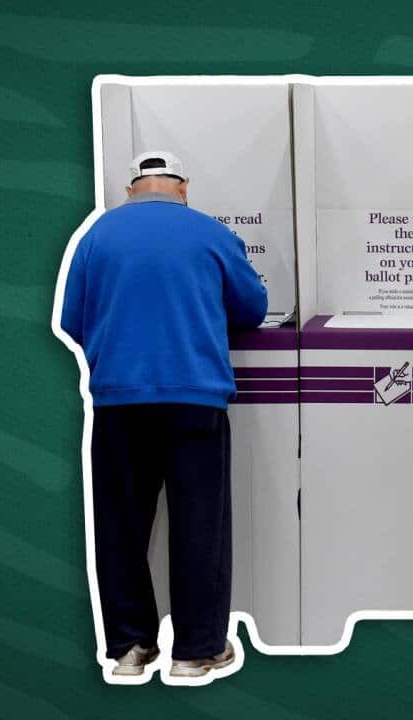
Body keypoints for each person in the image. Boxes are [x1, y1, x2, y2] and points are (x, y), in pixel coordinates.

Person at [59, 150, 268, 678]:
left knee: (121, 527)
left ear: (132, 189)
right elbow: (253, 309)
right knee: (200, 524)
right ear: (183, 187)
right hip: (195, 398)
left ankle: (130, 649)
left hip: (119, 402)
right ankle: (196, 651)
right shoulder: (212, 234)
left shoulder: (97, 236)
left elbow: (72, 321)